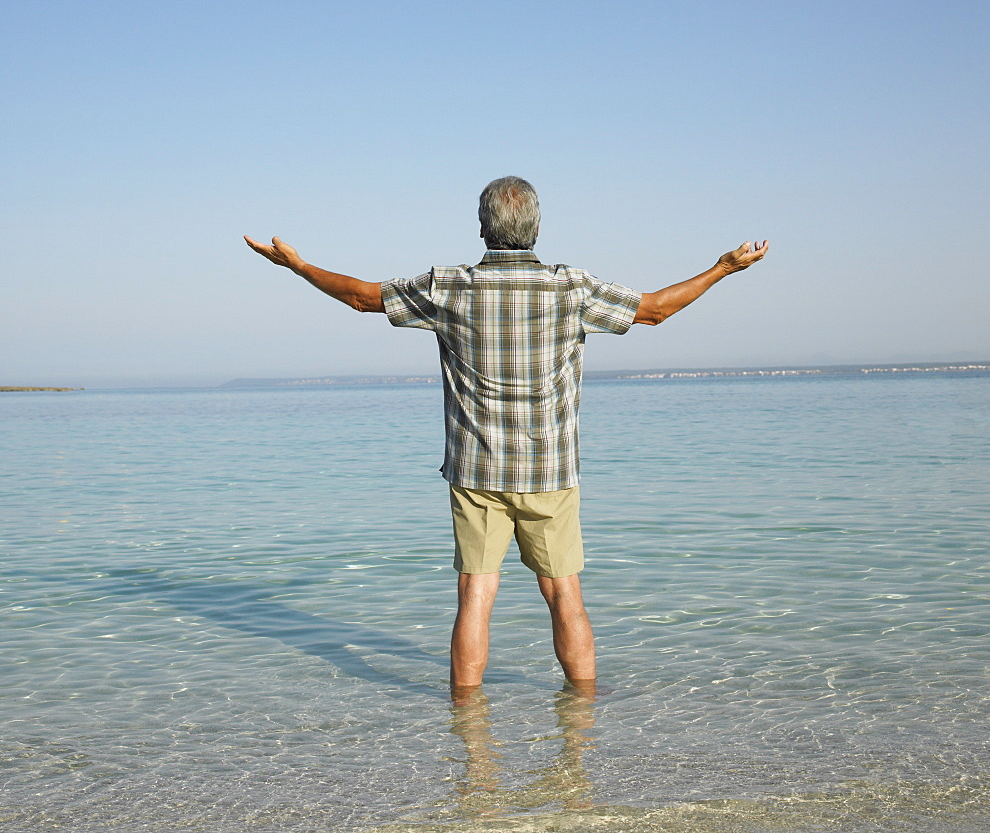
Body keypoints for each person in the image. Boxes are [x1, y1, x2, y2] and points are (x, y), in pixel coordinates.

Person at [245, 176, 767, 690]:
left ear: (482, 228)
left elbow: (360, 297)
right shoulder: (571, 287)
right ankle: (580, 729)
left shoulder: (448, 287)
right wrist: (724, 267)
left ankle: (469, 739)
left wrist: (298, 266)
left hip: (476, 472)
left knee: (475, 595)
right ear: (537, 228)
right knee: (565, 595)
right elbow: (655, 310)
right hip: (550, 472)